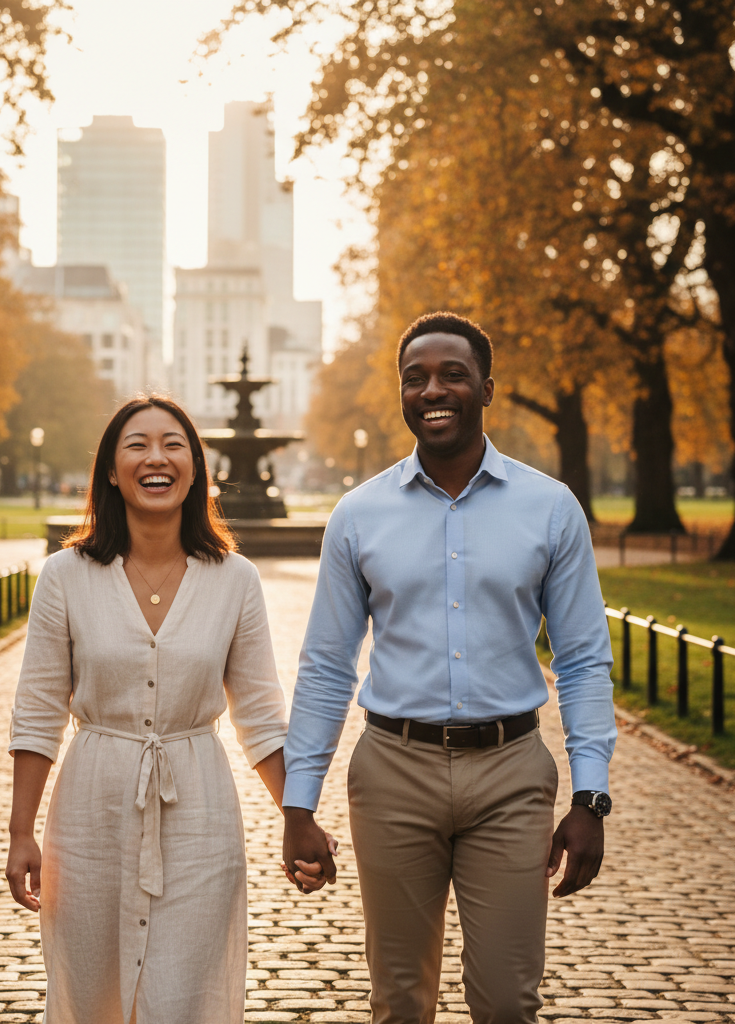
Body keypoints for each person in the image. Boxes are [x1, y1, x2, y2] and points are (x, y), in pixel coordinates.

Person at [281, 312, 617, 1024]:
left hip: (511, 774)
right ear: (401, 394)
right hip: (393, 771)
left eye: (453, 374)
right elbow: (326, 666)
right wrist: (298, 804)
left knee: (506, 999)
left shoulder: (551, 509)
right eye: (416, 377)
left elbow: (584, 659)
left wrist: (590, 797)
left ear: (486, 388)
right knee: (399, 1001)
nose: (434, 389)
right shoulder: (358, 514)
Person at [5, 395, 330, 1024]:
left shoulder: (235, 580)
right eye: (137, 444)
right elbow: (39, 710)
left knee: (189, 994)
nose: (156, 458)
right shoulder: (63, 577)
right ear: (110, 469)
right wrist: (22, 832)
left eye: (173, 444)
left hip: (201, 819)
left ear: (196, 467)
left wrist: (299, 817)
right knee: (89, 992)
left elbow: (261, 716)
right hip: (89, 816)